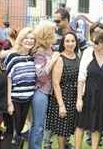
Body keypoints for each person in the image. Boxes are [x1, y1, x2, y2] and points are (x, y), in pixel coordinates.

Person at [75, 31, 103, 149]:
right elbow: (81, 77)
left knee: (97, 125)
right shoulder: (88, 53)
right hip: (88, 94)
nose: (94, 45)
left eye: (97, 43)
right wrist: (79, 99)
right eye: (93, 42)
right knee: (80, 124)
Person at [28, 21, 60, 149]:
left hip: (47, 92)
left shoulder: (50, 49)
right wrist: (52, 61)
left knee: (40, 124)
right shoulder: (39, 51)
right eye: (52, 32)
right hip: (40, 91)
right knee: (38, 125)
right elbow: (40, 75)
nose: (55, 34)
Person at [46, 32, 80, 149]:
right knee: (62, 128)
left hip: (74, 95)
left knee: (70, 127)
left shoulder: (77, 56)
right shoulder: (60, 58)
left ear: (76, 42)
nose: (70, 44)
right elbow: (55, 83)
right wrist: (61, 105)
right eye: (67, 41)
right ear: (63, 43)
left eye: (73, 41)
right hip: (63, 96)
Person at [4, 27, 36, 147]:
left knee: (20, 130)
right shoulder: (12, 56)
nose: (29, 41)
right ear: (21, 39)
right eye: (26, 38)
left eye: (32, 39)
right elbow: (7, 79)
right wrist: (9, 103)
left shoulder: (32, 58)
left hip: (27, 99)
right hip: (14, 99)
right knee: (12, 131)